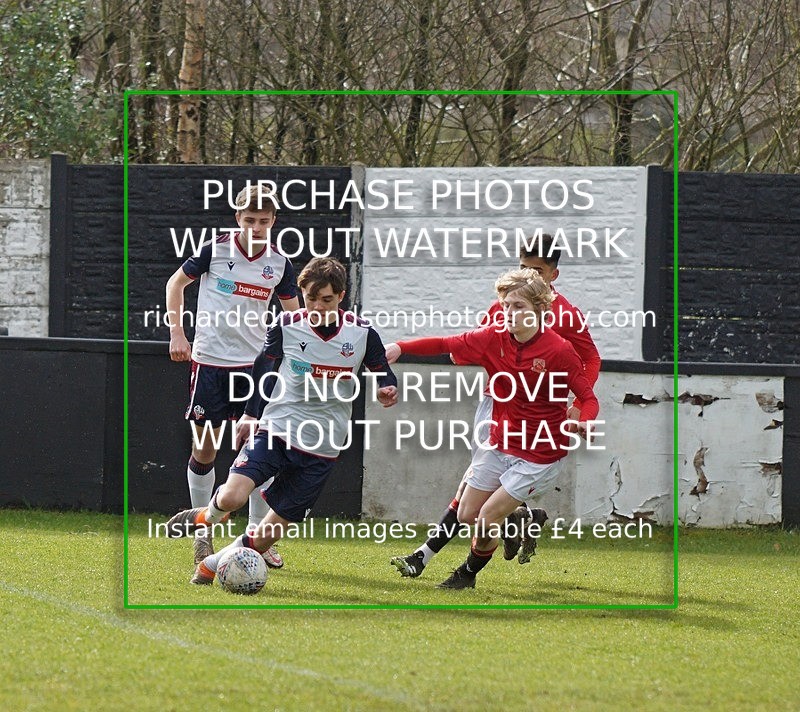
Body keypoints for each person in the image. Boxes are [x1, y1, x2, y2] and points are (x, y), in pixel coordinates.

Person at [163, 257, 399, 584]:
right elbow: (264, 369)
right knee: (232, 497)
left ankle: (211, 565)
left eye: (326, 299)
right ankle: (206, 516)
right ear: (302, 294)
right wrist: (250, 414)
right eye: (311, 298)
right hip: (277, 428)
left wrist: (388, 388)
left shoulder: (362, 333)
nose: (317, 307)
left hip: (323, 446)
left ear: (341, 296)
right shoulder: (287, 325)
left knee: (264, 538)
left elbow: (382, 370)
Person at [390, 234, 600, 578]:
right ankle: (516, 517)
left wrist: (580, 408)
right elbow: (461, 345)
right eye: (523, 267)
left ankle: (454, 567)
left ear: (552, 277)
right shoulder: (503, 312)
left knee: (483, 506)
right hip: (497, 407)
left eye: (537, 271)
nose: (528, 276)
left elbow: (590, 360)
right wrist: (404, 347)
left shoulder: (564, 324)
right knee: (470, 501)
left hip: (539, 430)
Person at [165, 183, 299, 568]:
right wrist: (177, 333)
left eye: (263, 221)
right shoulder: (215, 249)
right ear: (238, 217)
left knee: (259, 453)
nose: (256, 227)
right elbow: (176, 283)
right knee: (204, 449)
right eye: (249, 219)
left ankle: (257, 538)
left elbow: (293, 317)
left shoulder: (280, 263)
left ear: (273, 221)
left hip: (253, 369)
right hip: (210, 363)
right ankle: (203, 534)